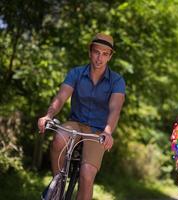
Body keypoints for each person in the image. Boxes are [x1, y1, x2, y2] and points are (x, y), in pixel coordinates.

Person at [38, 33, 126, 199]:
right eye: (96, 52)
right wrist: (48, 114)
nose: (99, 58)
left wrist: (107, 131)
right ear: (90, 52)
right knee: (59, 137)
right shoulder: (76, 73)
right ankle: (57, 185)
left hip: (98, 132)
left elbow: (115, 109)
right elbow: (61, 97)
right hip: (75, 123)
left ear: (110, 56)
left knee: (86, 174)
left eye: (105, 54)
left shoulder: (117, 81)